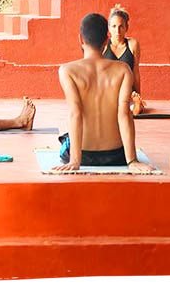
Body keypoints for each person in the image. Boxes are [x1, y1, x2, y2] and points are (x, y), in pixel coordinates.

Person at [54, 13, 154, 172]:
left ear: (80, 39)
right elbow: (124, 114)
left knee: (65, 139)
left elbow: (75, 113)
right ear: (106, 40)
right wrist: (132, 161)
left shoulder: (67, 71)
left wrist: (75, 161)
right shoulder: (123, 70)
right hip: (116, 155)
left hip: (84, 155)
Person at [103, 4, 146, 115]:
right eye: (114, 26)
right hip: (108, 91)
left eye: (121, 26)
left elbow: (135, 71)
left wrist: (138, 96)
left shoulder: (132, 44)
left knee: (134, 109)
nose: (117, 31)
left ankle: (135, 105)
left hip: (127, 91)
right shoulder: (103, 45)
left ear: (126, 27)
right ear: (109, 28)